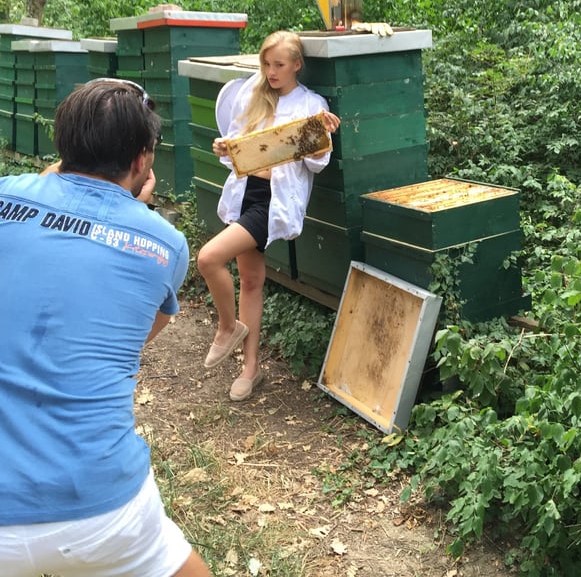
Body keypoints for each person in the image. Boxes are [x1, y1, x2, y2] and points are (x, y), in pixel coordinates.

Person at [0, 79, 212, 577]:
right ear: (143, 160)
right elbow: (132, 340)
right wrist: (135, 205)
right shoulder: (166, 244)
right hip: (100, 509)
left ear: (60, 143)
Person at [197, 30, 340, 401]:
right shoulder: (251, 93)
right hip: (246, 194)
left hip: (273, 201)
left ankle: (227, 328)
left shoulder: (311, 104)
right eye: (266, 63)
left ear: (297, 65)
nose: (271, 71)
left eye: (279, 64)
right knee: (251, 281)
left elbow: (318, 164)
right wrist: (221, 148)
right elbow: (236, 151)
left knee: (209, 257)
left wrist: (321, 134)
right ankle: (250, 369)